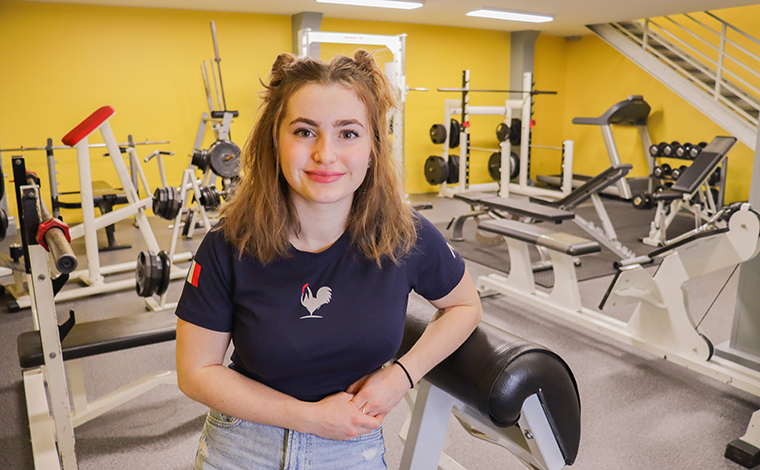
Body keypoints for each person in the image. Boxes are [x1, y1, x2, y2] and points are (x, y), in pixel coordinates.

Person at [175, 50, 483, 470]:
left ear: (373, 147)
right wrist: (312, 419)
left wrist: (402, 376)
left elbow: (465, 306)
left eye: (348, 133)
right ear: (274, 139)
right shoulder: (229, 244)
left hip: (351, 446)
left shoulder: (405, 235)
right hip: (247, 443)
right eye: (304, 131)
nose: (325, 153)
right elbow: (196, 371)